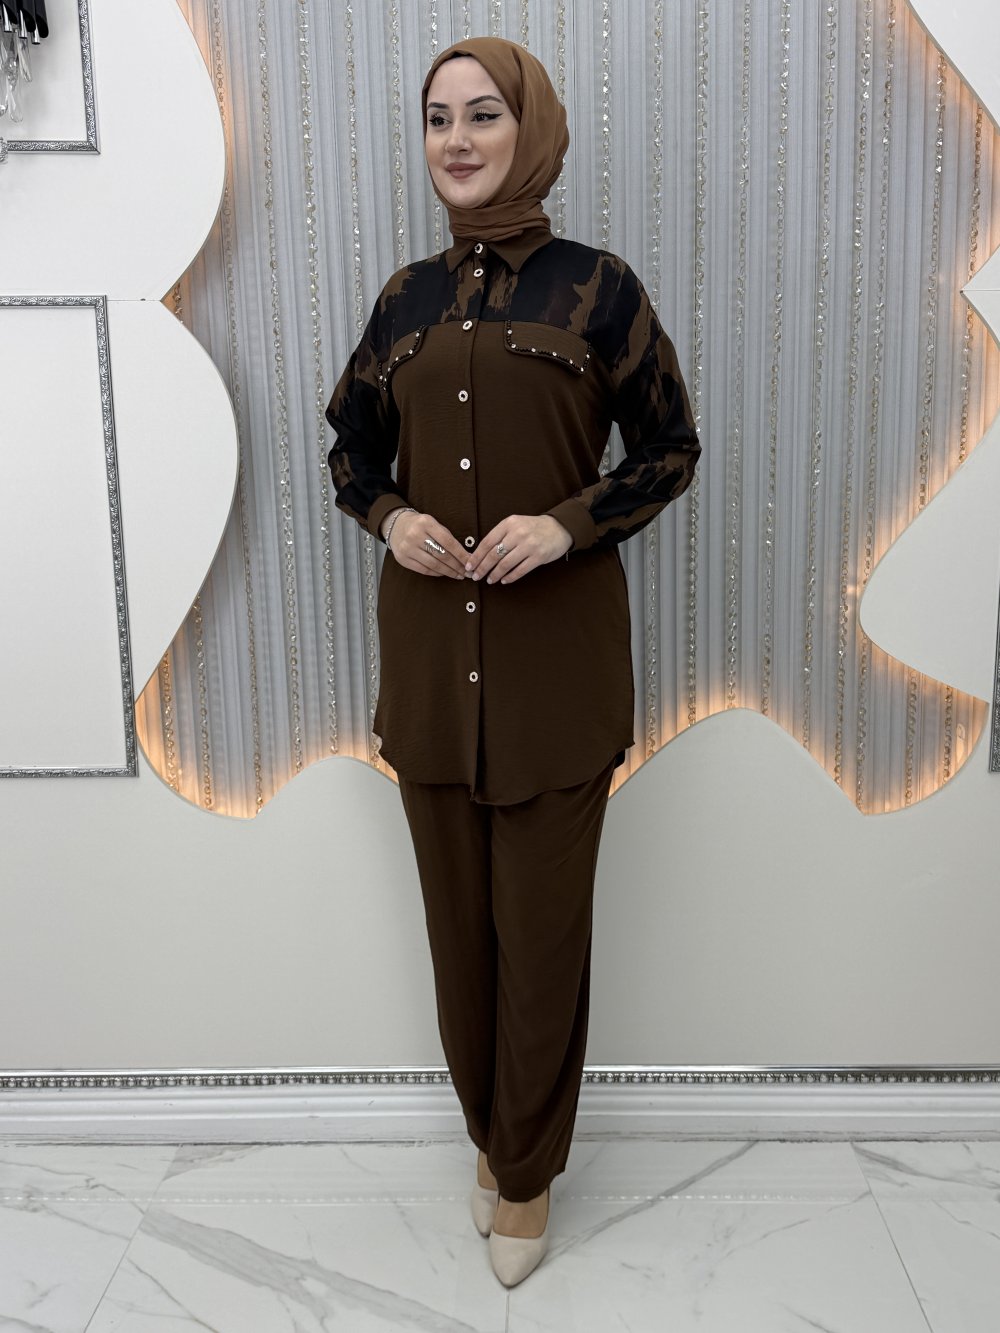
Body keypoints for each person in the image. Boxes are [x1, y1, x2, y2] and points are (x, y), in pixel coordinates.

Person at [326, 35, 700, 1287]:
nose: (458, 140)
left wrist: (565, 523)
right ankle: (490, 1138)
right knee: (459, 936)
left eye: (483, 114)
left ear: (529, 129)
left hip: (556, 673)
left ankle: (526, 1171)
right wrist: (392, 518)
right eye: (438, 118)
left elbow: (669, 449)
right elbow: (348, 453)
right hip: (431, 668)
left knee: (540, 940)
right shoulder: (404, 300)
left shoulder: (598, 290)